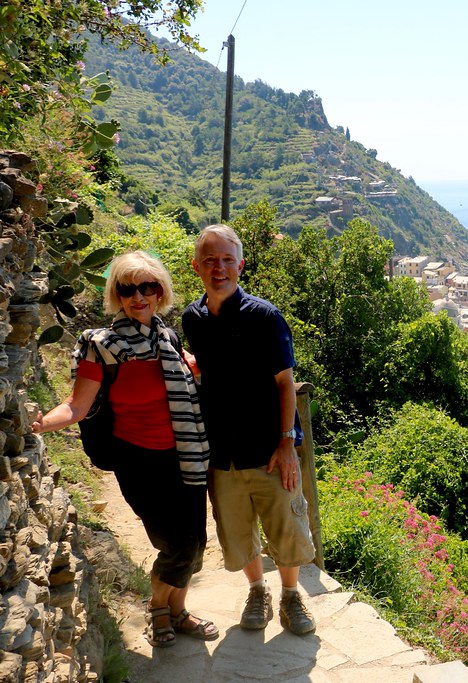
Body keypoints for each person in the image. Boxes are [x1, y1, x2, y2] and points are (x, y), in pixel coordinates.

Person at [33, 251, 215, 648]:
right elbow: (77, 405)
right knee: (175, 545)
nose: (139, 296)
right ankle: (158, 609)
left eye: (148, 287)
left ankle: (179, 612)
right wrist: (39, 422)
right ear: (116, 295)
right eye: (127, 288)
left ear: (160, 291)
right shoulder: (101, 346)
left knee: (196, 544)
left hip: (185, 453)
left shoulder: (167, 338)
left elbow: (190, 370)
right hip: (140, 461)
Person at [181, 224, 317, 636]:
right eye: (210, 260)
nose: (218, 268)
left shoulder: (265, 316)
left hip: (268, 448)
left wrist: (287, 443)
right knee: (237, 532)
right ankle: (258, 589)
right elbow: (210, 366)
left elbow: (284, 383)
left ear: (240, 265)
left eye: (226, 259)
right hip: (221, 451)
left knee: (285, 527)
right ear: (197, 267)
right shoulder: (193, 318)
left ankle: (291, 595)